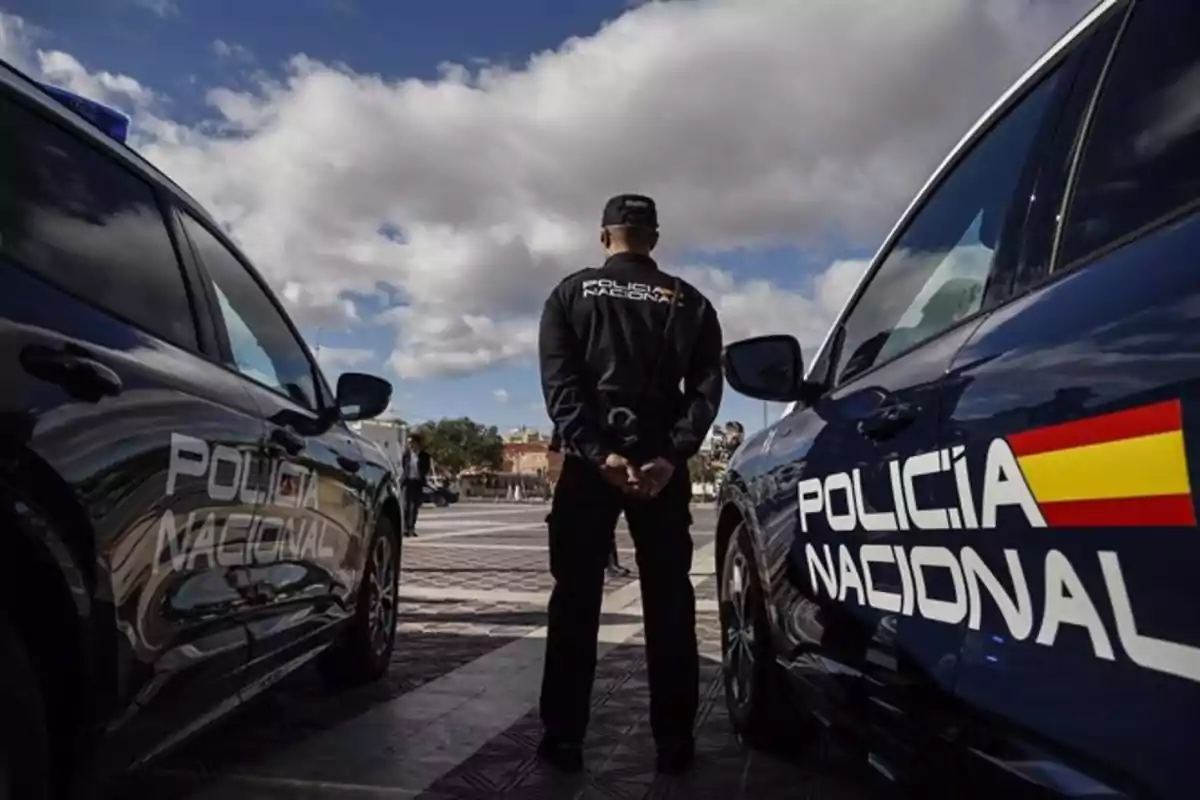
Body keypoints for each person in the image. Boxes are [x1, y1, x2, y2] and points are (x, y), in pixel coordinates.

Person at [536, 193, 723, 775]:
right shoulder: (689, 300)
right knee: (670, 602)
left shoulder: (571, 293)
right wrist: (670, 457)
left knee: (575, 601)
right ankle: (674, 742)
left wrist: (597, 454)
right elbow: (706, 388)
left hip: (591, 471)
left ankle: (564, 739)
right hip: (661, 473)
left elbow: (560, 385)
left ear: (604, 236)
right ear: (655, 238)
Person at [399, 433, 432, 538]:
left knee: (414, 507)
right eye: (408, 443)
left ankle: (411, 528)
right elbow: (404, 467)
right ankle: (405, 529)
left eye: (411, 442)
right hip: (407, 482)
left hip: (417, 483)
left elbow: (426, 469)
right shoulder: (406, 455)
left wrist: (423, 478)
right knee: (406, 506)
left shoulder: (425, 456)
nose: (410, 445)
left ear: (417, 443)